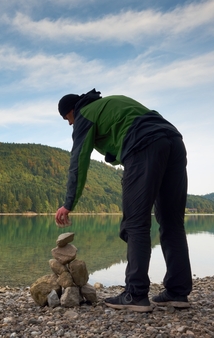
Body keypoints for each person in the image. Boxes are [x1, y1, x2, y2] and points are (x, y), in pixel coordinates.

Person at [54, 89, 192, 312]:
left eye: (67, 119)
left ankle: (135, 294)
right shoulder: (110, 103)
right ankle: (178, 292)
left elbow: (79, 160)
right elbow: (120, 136)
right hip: (174, 141)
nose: (70, 124)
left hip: (144, 145)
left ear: (71, 111)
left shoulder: (84, 114)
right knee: (172, 223)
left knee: (135, 223)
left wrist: (68, 203)